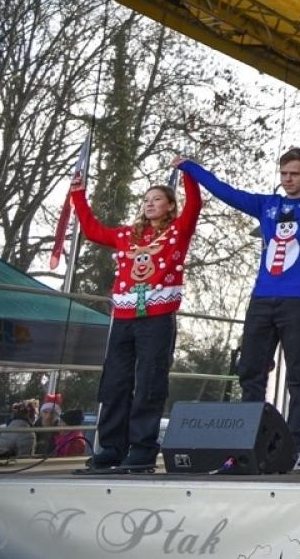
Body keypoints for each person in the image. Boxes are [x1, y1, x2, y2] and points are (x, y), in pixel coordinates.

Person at [179, 144, 300, 469]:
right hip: (261, 299)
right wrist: (190, 168)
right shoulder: (267, 205)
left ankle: (295, 446)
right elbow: (226, 192)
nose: (288, 179)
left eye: (295, 174)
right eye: (284, 174)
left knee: (298, 375)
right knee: (250, 371)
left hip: (298, 302)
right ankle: (249, 440)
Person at [66, 166, 203, 473]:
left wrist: (187, 172)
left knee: (150, 382)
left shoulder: (176, 232)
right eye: (146, 199)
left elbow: (195, 205)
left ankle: (142, 449)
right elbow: (91, 230)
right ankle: (113, 447)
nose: (150, 203)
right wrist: (77, 195)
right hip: (124, 318)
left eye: (157, 199)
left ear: (170, 205)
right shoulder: (127, 235)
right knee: (115, 381)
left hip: (157, 318)